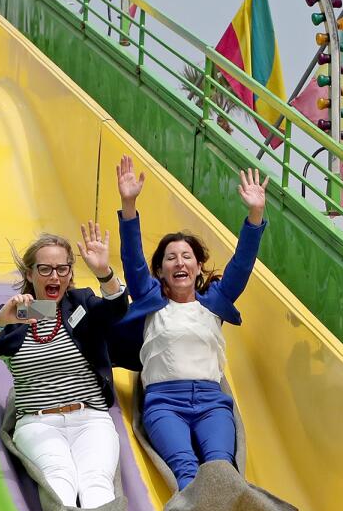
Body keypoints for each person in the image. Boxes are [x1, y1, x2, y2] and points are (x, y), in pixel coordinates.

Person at [113, 154, 268, 490]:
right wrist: (128, 205)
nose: (179, 262)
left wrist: (255, 215)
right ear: (161, 270)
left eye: (187, 257)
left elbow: (241, 265)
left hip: (212, 401)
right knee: (186, 468)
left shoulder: (214, 304)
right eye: (171, 258)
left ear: (198, 267)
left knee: (220, 467)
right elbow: (133, 260)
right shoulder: (151, 302)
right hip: (164, 402)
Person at [0, 223, 128, 509]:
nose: (55, 276)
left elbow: (117, 307)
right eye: (45, 269)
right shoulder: (17, 316)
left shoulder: (80, 303)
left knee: (96, 481)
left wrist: (104, 272)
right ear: (30, 273)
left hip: (90, 418)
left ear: (70, 273)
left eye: (62, 269)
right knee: (60, 477)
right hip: (39, 422)